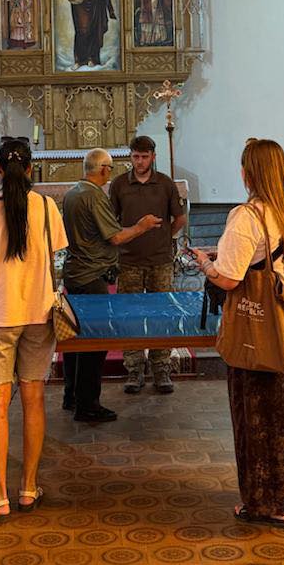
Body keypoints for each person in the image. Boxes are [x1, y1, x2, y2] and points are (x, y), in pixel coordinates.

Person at [192, 138, 284, 527]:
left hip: (257, 317)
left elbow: (228, 279)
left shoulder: (247, 215)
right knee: (279, 409)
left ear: (249, 174)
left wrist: (205, 264)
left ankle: (261, 502)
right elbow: (278, 260)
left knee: (252, 412)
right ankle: (283, 497)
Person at [0, 138, 67, 520]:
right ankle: (28, 488)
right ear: (30, 169)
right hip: (38, 313)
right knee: (34, 399)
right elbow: (54, 258)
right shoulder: (46, 206)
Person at [61, 149, 162, 421]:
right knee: (96, 341)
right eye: (111, 168)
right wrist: (141, 226)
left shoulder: (72, 192)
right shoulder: (93, 196)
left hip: (75, 273)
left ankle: (71, 395)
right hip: (91, 275)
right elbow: (115, 237)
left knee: (76, 338)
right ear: (104, 169)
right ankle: (88, 405)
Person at [110, 135, 187, 395]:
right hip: (129, 260)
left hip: (160, 261)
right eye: (136, 157)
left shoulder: (165, 184)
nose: (140, 161)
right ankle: (134, 368)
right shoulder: (120, 184)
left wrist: (165, 237)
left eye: (144, 157)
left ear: (153, 157)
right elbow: (111, 221)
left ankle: (161, 367)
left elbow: (179, 218)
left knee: (161, 314)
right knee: (131, 315)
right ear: (130, 156)